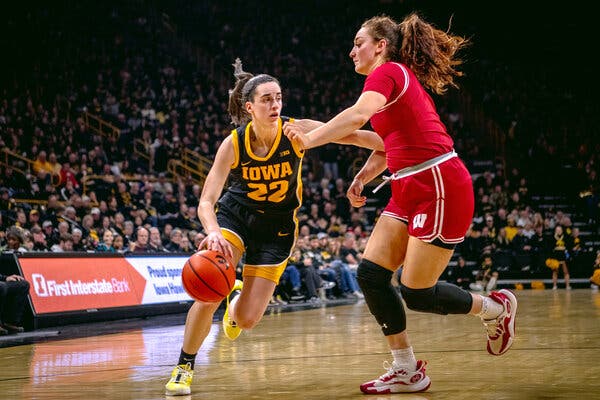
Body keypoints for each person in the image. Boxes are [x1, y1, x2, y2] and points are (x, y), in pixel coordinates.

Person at [283, 13, 517, 394]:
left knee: (417, 293)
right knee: (371, 276)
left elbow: (357, 117)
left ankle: (495, 308)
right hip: (409, 187)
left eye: (359, 42)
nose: (351, 50)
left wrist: (311, 139)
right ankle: (406, 369)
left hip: (439, 185)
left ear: (381, 46)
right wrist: (361, 176)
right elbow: (380, 143)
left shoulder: (388, 72)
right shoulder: (391, 86)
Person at [165, 59, 382, 396]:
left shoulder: (297, 130)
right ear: (249, 106)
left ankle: (235, 302)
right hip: (235, 218)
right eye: (266, 99)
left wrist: (394, 144)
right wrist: (212, 232)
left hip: (277, 229)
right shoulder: (233, 143)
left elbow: (354, 136)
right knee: (210, 290)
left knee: (248, 320)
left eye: (278, 97)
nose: (275, 105)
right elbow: (207, 200)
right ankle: (184, 367)